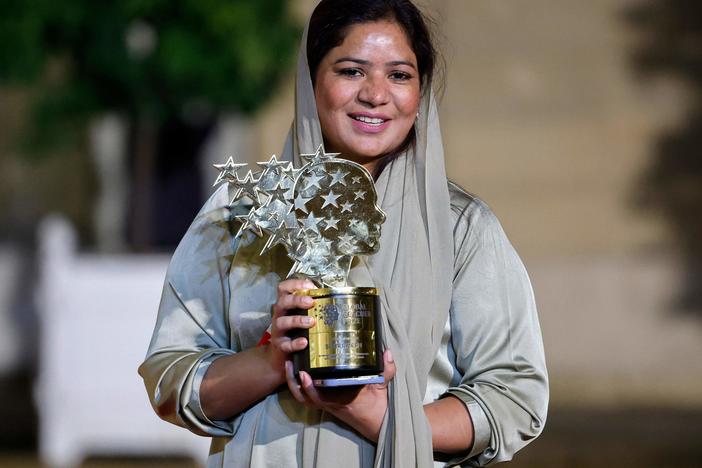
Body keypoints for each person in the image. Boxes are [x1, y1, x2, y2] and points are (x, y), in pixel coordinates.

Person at [138, 0, 549, 466]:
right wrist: (273, 360)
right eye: (351, 71)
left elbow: (514, 400)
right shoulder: (241, 217)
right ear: (310, 81)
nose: (376, 94)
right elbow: (170, 380)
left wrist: (377, 415)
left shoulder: (461, 229)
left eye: (399, 75)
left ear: (422, 91)